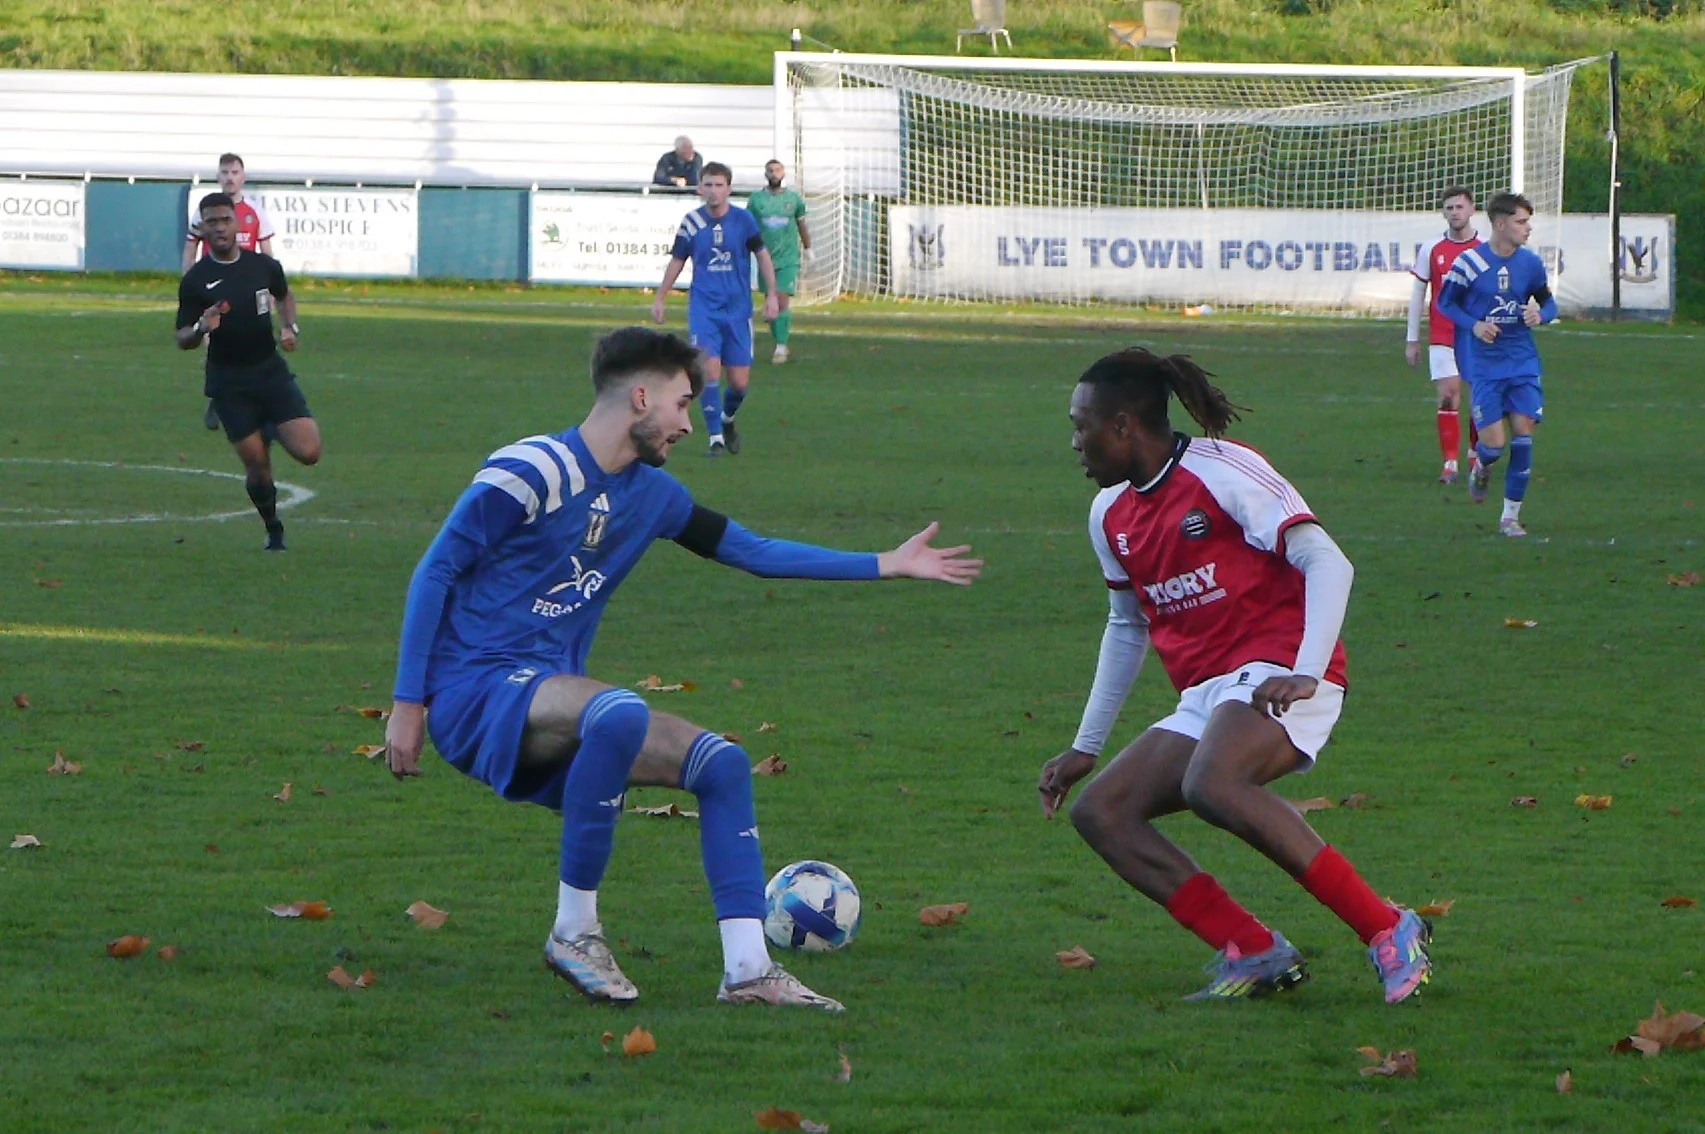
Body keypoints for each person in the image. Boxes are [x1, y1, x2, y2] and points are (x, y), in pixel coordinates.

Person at [382, 325, 981, 1011]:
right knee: (617, 711)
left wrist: (884, 564)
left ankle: (748, 971)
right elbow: (436, 570)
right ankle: (574, 933)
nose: (689, 424)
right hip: (472, 691)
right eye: (682, 403)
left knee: (721, 764)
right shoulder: (531, 470)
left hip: (548, 698)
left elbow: (751, 550)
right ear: (640, 396)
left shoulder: (653, 496)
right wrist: (409, 703)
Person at [1036, 347, 1433, 1004]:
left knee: (1212, 783)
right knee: (1102, 813)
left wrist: (1305, 672)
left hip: (1283, 666)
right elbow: (1127, 624)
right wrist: (1085, 744)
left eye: (1081, 426)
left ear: (1123, 426)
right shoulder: (1108, 515)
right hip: (1209, 692)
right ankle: (1252, 951)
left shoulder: (1224, 473)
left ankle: (1388, 927)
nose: (1073, 442)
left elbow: (1328, 563)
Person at [174, 192, 321, 552]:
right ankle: (274, 528)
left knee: (309, 450)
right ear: (203, 228)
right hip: (229, 384)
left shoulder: (263, 266)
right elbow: (181, 337)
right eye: (212, 222)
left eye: (225, 220)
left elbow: (283, 295)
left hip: (271, 373)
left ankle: (270, 425)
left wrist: (289, 327)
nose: (220, 228)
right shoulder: (196, 280)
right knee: (258, 467)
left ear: (237, 222)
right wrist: (200, 328)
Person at [1436, 191, 1558, 537]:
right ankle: (1483, 466)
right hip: (1485, 366)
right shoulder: (1470, 263)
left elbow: (1549, 304)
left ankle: (1510, 517)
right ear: (1501, 224)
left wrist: (1541, 313)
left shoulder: (1530, 264)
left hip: (1522, 361)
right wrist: (1474, 324)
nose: (1528, 228)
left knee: (1523, 435)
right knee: (1493, 445)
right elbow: (1447, 304)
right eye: (1522, 221)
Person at [650, 163, 779, 456]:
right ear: (700, 188)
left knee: (739, 383)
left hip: (737, 311)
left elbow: (763, 256)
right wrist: (661, 297)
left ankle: (727, 420)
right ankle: (715, 438)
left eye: (719, 185)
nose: (713, 191)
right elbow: (677, 261)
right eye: (708, 185)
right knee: (709, 369)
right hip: (704, 310)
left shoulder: (744, 220)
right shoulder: (692, 223)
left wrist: (771, 295)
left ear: (729, 189)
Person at [185, 154, 276, 431]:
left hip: (249, 290)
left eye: (234, 172)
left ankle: (258, 397)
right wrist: (188, 284)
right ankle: (216, 396)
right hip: (214, 287)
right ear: (218, 176)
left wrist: (271, 287)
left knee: (255, 342)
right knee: (214, 340)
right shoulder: (204, 212)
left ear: (243, 177)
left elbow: (267, 253)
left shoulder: (255, 212)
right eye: (224, 172)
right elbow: (190, 247)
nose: (230, 177)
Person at [1405, 186, 1481, 484]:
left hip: (1476, 335)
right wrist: (1412, 339)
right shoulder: (1432, 249)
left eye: (1460, 207)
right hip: (1442, 334)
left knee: (1480, 400)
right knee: (1449, 397)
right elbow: (1417, 293)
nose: (1455, 213)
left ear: (1472, 210)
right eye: (1449, 208)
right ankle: (1450, 463)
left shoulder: (1485, 248)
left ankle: (1475, 455)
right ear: (1443, 212)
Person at [746, 160, 812, 364]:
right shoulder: (756, 200)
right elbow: (748, 228)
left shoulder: (794, 199)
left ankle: (781, 346)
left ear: (783, 173)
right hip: (765, 258)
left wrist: (809, 248)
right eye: (770, 171)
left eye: (777, 170)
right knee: (771, 302)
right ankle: (779, 339)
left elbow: (802, 225)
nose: (774, 174)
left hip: (788, 259)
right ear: (765, 174)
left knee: (781, 299)